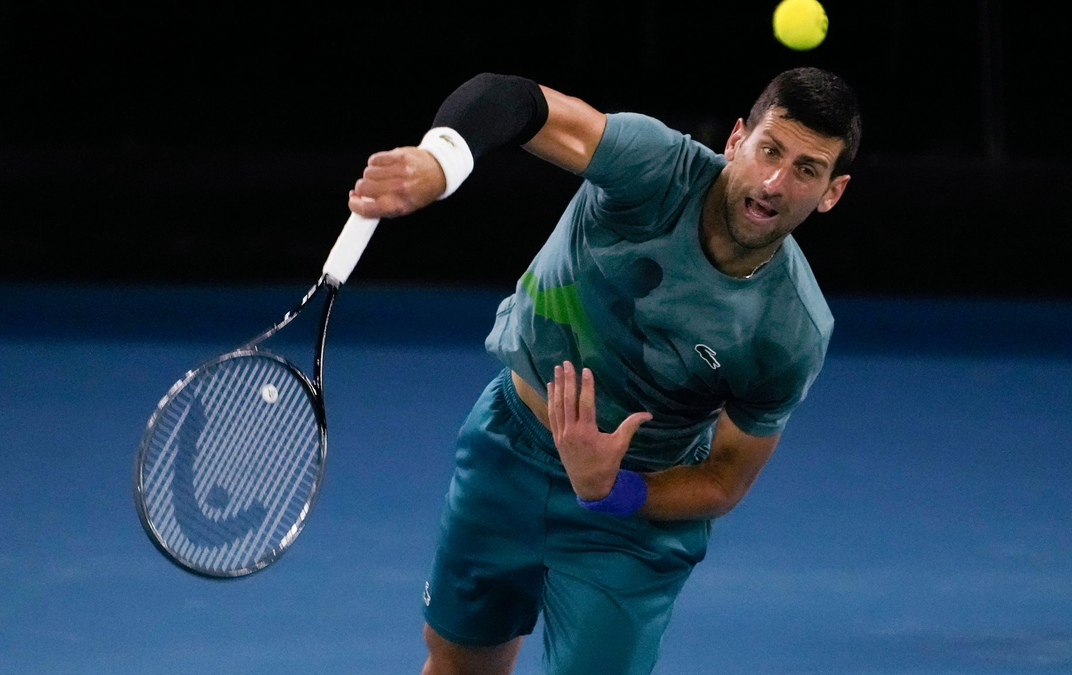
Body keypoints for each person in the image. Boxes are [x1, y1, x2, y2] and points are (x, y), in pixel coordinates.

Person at [347, 67, 861, 675]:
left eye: (806, 169)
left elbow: (725, 478)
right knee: (459, 664)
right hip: (507, 448)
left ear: (832, 192)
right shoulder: (653, 168)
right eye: (769, 150)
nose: (775, 182)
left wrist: (615, 491)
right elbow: (511, 99)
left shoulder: (790, 330)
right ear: (735, 141)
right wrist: (444, 162)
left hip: (628, 521)